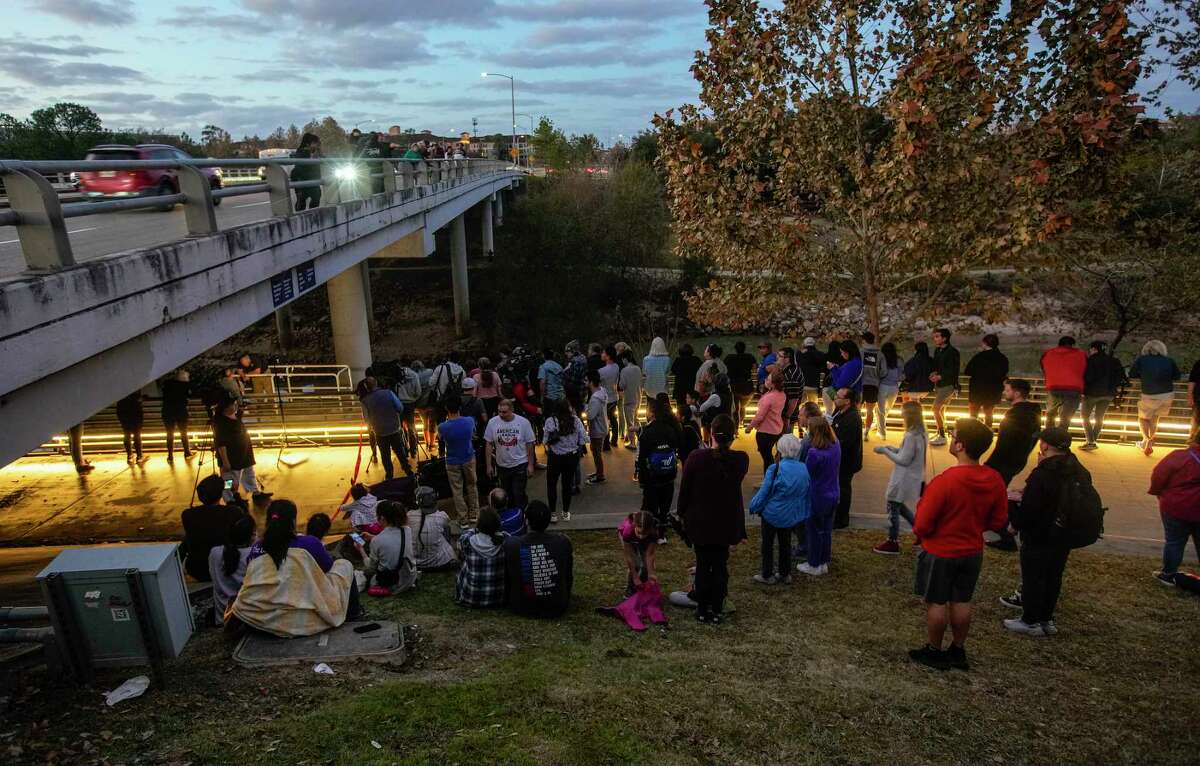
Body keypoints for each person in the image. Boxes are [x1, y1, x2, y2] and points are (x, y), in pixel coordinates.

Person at [908, 419, 1008, 671]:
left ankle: (934, 649)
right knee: (962, 599)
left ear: (960, 445)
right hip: (972, 550)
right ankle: (958, 648)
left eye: (953, 436)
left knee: (937, 601)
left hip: (941, 550)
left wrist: (924, 535)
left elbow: (923, 522)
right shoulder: (994, 479)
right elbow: (998, 520)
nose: (951, 439)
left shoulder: (945, 482)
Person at [1003, 428, 1089, 636]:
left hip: (1039, 533)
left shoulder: (1043, 473)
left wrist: (1015, 525)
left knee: (1033, 576)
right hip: (1064, 533)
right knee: (1053, 576)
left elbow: (1031, 508)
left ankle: (1030, 620)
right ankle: (1046, 618)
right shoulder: (1078, 470)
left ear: (1045, 446)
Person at [234, 499, 362, 635]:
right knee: (344, 565)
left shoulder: (256, 548)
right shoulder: (309, 543)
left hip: (262, 618)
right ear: (293, 522)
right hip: (303, 612)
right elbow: (327, 569)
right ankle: (353, 614)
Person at [677, 415, 749, 624]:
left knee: (703, 563)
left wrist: (682, 514)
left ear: (710, 433)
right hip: (725, 522)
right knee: (719, 563)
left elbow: (685, 491)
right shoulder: (740, 460)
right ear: (732, 436)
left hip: (700, 522)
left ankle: (702, 608)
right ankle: (717, 607)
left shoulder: (696, 458)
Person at [749, 434, 811, 585]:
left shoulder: (775, 468)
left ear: (780, 449)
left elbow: (764, 491)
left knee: (767, 544)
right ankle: (785, 573)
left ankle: (767, 574)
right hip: (790, 515)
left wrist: (753, 506)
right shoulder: (804, 469)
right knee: (786, 543)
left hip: (771, 513)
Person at [872, 401, 929, 555]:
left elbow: (904, 460)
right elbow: (908, 453)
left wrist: (885, 451)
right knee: (899, 506)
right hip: (913, 476)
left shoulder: (911, 435)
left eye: (903, 412)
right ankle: (921, 532)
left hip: (903, 478)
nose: (901, 414)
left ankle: (892, 541)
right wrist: (894, 449)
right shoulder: (922, 433)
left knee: (893, 506)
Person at [503, 500, 574, 617]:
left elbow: (508, 579)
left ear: (526, 521)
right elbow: (568, 576)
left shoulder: (511, 545)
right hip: (557, 605)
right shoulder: (563, 542)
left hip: (521, 606)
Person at [1148, 430, 1200, 586]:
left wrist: (1157, 491)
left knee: (1174, 541)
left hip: (1176, 506)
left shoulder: (1180, 457)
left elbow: (1159, 474)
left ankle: (1169, 574)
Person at [181, 474, 245, 582]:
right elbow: (245, 520)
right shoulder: (233, 512)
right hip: (226, 567)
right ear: (220, 494)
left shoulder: (187, 515)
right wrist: (234, 493)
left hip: (198, 569)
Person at [637, 396, 682, 540]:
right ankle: (662, 533)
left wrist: (642, 478)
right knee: (665, 505)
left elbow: (642, 457)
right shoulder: (670, 429)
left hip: (652, 476)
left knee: (651, 505)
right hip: (668, 473)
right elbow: (675, 447)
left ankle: (650, 532)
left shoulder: (647, 432)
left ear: (651, 413)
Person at [799, 416, 840, 575]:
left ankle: (814, 563)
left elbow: (806, 474)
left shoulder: (814, 453)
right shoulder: (836, 446)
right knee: (826, 530)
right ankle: (823, 561)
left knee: (814, 530)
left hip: (817, 496)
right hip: (833, 493)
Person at [1129, 340, 1181, 456]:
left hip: (1150, 393)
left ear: (1147, 349)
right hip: (1167, 394)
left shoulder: (1142, 360)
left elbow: (1132, 374)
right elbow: (1177, 376)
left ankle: (1146, 440)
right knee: (1155, 418)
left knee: (1143, 418)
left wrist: (1144, 375)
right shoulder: (1169, 360)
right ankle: (1150, 442)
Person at [484, 398, 537, 508]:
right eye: (499, 411)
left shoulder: (523, 422)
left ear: (511, 410)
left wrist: (531, 464)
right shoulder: (492, 422)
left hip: (520, 464)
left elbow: (530, 444)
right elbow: (489, 443)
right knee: (506, 495)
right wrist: (489, 465)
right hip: (502, 466)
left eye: (504, 412)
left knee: (518, 494)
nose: (501, 414)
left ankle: (521, 515)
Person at [542, 399, 587, 523]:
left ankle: (553, 513)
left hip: (554, 457)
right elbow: (583, 439)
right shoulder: (576, 421)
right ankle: (566, 512)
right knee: (567, 485)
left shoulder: (550, 421)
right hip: (571, 457)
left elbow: (545, 440)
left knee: (551, 484)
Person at [438, 395, 480, 525]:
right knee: (472, 486)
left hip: (452, 460)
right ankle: (474, 514)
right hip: (468, 457)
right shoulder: (469, 421)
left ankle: (463, 518)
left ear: (446, 408)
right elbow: (473, 434)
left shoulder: (442, 426)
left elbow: (441, 439)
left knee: (457, 490)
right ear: (460, 407)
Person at [455, 506, 508, 608]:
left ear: (479, 525)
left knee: (462, 560)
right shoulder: (504, 539)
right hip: (498, 598)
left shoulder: (467, 540)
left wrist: (475, 529)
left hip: (470, 597)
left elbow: (460, 552)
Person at [361, 377, 414, 480]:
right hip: (394, 428)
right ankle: (408, 472)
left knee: (385, 455)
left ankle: (389, 476)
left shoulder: (365, 401)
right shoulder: (389, 393)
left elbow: (366, 420)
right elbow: (400, 408)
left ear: (366, 387)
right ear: (376, 383)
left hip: (380, 432)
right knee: (400, 452)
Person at [1079, 340, 1127, 451]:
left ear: (1094, 349)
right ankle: (1093, 440)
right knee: (1099, 417)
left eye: (1091, 349)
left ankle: (1091, 441)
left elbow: (1088, 377)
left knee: (1085, 416)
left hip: (1092, 393)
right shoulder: (1114, 361)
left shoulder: (1091, 360)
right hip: (1109, 393)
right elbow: (1120, 377)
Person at [363, 500, 419, 595]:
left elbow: (371, 568)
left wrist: (360, 550)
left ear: (382, 518)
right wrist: (373, 537)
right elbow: (393, 540)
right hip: (409, 577)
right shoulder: (407, 530)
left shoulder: (377, 540)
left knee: (366, 574)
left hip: (390, 583)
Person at [208, 514, 255, 625]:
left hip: (222, 619)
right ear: (252, 535)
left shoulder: (215, 553)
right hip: (248, 620)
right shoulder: (253, 555)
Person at [212, 391, 258, 501]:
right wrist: (225, 461)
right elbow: (220, 443)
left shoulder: (234, 416)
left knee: (249, 473)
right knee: (229, 480)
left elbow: (238, 417)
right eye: (233, 404)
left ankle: (254, 491)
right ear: (226, 408)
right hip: (232, 457)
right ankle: (229, 498)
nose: (235, 406)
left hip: (244, 454)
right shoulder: (221, 423)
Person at [830, 388, 863, 530]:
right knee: (839, 487)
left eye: (838, 397)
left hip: (847, 460)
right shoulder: (839, 411)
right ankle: (836, 515)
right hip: (839, 458)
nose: (835, 398)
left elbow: (843, 441)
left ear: (847, 401)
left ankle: (842, 519)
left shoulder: (852, 418)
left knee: (843, 489)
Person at [1041, 336, 1087, 431]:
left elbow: (1043, 367)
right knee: (1065, 417)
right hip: (1073, 388)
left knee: (1050, 414)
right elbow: (1087, 370)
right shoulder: (1081, 354)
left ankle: (1048, 436)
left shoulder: (1048, 353)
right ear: (1072, 345)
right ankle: (1060, 439)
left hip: (1053, 387)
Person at [406, 487, 458, 572]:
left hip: (415, 563)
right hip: (440, 562)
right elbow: (447, 533)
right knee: (446, 529)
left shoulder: (409, 515)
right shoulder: (442, 516)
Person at [746, 370, 787, 474]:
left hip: (765, 432)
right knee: (770, 457)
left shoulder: (769, 398)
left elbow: (759, 417)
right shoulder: (782, 394)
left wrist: (749, 427)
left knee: (767, 458)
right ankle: (773, 477)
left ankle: (768, 480)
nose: (765, 380)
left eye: (768, 379)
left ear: (773, 383)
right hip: (777, 429)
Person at [964, 334, 1009, 428]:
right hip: (993, 391)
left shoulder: (979, 357)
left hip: (977, 389)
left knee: (973, 414)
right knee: (989, 414)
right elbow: (1003, 373)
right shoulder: (1002, 358)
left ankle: (971, 433)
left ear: (984, 343)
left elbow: (967, 371)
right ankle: (988, 433)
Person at [928, 329, 960, 446]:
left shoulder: (953, 352)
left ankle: (942, 436)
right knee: (941, 409)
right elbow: (936, 365)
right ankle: (940, 432)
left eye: (937, 336)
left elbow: (953, 370)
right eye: (934, 337)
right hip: (940, 384)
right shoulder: (938, 350)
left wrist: (940, 376)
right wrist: (934, 373)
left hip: (948, 384)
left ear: (944, 338)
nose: (935, 339)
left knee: (935, 409)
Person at [618, 510, 660, 595]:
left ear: (650, 529)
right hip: (628, 539)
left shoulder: (653, 533)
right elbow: (629, 556)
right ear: (635, 525)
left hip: (643, 540)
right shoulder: (628, 531)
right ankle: (630, 588)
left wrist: (651, 573)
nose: (641, 536)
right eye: (640, 533)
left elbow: (650, 554)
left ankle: (643, 587)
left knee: (644, 565)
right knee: (636, 564)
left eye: (645, 533)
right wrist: (635, 577)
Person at [873, 342, 902, 439]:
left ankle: (882, 432)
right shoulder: (899, 360)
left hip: (882, 386)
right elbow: (902, 375)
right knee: (887, 408)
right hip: (894, 387)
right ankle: (880, 428)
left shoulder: (881, 359)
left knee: (881, 410)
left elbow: (877, 373)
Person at [161, 370, 192, 462]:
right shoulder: (184, 386)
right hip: (180, 412)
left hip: (167, 412)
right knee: (183, 433)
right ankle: (187, 452)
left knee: (169, 434)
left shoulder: (167, 384)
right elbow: (187, 396)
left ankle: (170, 455)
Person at [725, 341, 758, 426]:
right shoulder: (750, 357)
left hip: (734, 386)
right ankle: (741, 422)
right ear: (744, 348)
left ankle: (736, 427)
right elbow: (755, 368)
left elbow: (724, 370)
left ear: (735, 349)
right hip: (746, 387)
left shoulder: (729, 358)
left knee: (736, 407)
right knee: (742, 406)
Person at [585, 371, 609, 485]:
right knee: (595, 451)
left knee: (596, 452)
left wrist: (585, 408)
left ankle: (600, 476)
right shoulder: (602, 391)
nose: (585, 382)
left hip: (597, 429)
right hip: (602, 425)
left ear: (591, 382)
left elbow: (590, 415)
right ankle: (598, 472)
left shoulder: (595, 399)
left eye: (586, 380)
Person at [825, 341, 863, 412]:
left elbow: (840, 384)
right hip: (854, 394)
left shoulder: (852, 364)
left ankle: (829, 417)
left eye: (842, 352)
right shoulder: (856, 362)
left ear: (848, 352)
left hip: (848, 396)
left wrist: (833, 369)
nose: (841, 355)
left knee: (827, 391)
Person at [859, 332, 883, 439]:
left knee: (857, 409)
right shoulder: (880, 354)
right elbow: (884, 371)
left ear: (864, 341)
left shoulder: (860, 352)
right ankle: (866, 433)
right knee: (870, 411)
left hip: (861, 384)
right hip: (873, 385)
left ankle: (857, 430)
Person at [778, 346, 807, 433]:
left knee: (785, 441)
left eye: (779, 356)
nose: (777, 358)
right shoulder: (789, 370)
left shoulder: (791, 375)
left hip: (787, 416)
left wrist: (787, 416)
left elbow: (793, 399)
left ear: (787, 359)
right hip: (786, 414)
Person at [618, 349, 643, 449]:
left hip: (629, 399)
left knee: (630, 422)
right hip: (638, 397)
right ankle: (641, 438)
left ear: (625, 359)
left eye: (622, 359)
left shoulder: (624, 370)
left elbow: (622, 385)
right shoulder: (637, 368)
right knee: (636, 419)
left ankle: (633, 443)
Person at [291, 132, 323, 210]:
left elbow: (323, 159)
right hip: (301, 180)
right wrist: (312, 158)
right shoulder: (301, 153)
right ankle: (300, 217)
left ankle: (312, 214)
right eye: (314, 143)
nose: (316, 145)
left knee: (316, 197)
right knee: (301, 201)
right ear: (308, 144)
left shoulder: (314, 152)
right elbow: (301, 166)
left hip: (313, 180)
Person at [598, 346, 622, 449]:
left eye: (603, 353)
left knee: (605, 420)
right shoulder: (616, 366)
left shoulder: (601, 371)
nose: (602, 355)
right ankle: (614, 440)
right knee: (612, 418)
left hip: (605, 398)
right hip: (614, 397)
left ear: (608, 356)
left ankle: (606, 444)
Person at [116, 390, 147, 464]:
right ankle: (139, 457)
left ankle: (130, 456)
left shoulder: (120, 385)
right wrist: (142, 398)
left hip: (122, 409)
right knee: (137, 434)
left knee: (126, 434)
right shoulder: (135, 384)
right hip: (135, 410)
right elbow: (137, 399)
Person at [671, 344, 702, 415]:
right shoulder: (696, 360)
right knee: (693, 409)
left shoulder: (678, 360)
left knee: (680, 410)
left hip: (680, 389)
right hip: (692, 388)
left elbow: (673, 370)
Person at [642, 337, 672, 405]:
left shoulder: (646, 359)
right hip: (663, 390)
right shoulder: (667, 359)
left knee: (650, 410)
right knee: (664, 410)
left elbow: (644, 373)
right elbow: (668, 373)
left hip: (650, 390)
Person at [796, 338, 825, 405]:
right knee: (813, 406)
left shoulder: (799, 354)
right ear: (814, 345)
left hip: (801, 385)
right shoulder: (820, 354)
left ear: (804, 344)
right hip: (813, 385)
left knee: (799, 406)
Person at [536, 349, 565, 415]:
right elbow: (563, 381)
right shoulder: (559, 366)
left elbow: (542, 382)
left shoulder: (543, 367)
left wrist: (542, 397)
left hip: (550, 397)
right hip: (561, 397)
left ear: (544, 356)